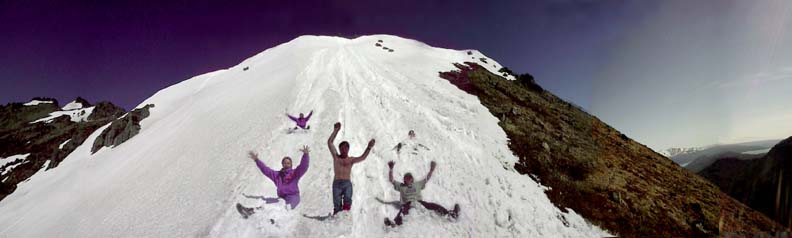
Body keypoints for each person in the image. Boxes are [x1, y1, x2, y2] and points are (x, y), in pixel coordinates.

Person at [384, 160, 460, 226]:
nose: (406, 180)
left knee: (433, 205)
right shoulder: (401, 186)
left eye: (408, 179)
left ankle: (450, 215)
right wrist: (391, 169)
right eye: (405, 179)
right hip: (408, 203)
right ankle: (394, 224)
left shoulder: (417, 184)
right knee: (403, 210)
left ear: (412, 179)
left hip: (419, 202)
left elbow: (426, 179)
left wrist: (431, 170)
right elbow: (392, 180)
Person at [327, 122, 375, 214]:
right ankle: (337, 215)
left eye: (345, 148)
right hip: (337, 183)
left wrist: (369, 147)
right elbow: (330, 143)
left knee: (347, 200)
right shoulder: (336, 157)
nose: (343, 150)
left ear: (348, 149)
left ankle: (346, 215)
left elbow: (363, 157)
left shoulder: (351, 160)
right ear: (339, 149)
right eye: (341, 148)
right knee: (337, 204)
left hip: (346, 183)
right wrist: (336, 131)